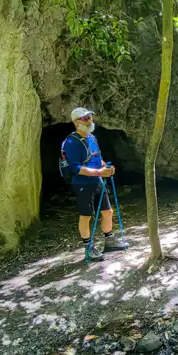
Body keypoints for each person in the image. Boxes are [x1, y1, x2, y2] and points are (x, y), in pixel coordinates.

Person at [62, 107, 127, 260]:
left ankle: (109, 241)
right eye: (85, 118)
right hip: (82, 183)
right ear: (76, 122)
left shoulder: (92, 137)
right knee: (86, 216)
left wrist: (106, 167)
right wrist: (99, 172)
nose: (89, 120)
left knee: (108, 212)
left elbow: (97, 158)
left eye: (90, 117)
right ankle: (88, 247)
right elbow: (75, 167)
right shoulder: (71, 142)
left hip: (97, 181)